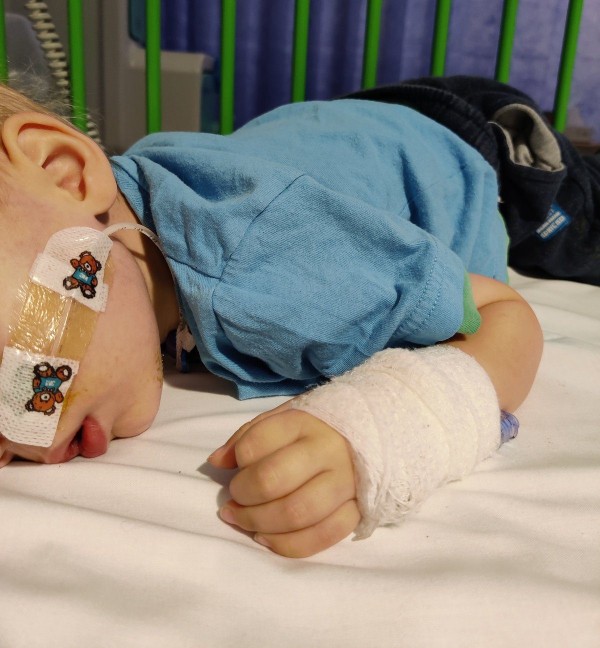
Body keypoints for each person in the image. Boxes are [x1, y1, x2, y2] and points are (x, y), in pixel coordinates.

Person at [0, 77, 548, 558]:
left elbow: (503, 312)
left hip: (480, 144)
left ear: (65, 173)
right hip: (350, 129)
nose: (9, 435)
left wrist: (384, 423)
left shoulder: (284, 266)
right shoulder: (120, 232)